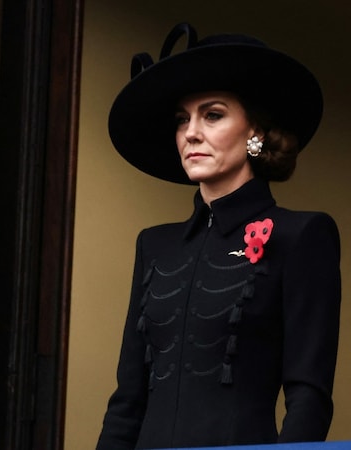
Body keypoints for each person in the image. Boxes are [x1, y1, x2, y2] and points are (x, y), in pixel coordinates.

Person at [97, 23, 341, 449]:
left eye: (212, 114)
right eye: (181, 120)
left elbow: (309, 398)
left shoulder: (302, 235)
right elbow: (127, 402)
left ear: (255, 133)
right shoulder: (154, 244)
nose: (191, 132)